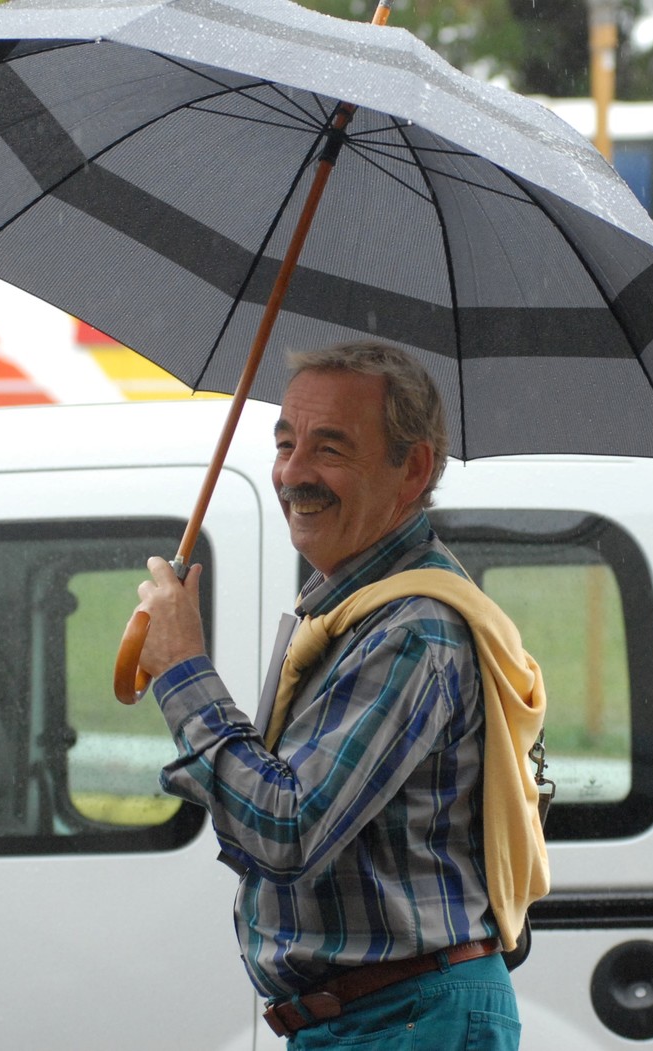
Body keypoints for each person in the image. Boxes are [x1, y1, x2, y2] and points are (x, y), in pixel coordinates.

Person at [135, 340, 548, 1049]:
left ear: (412, 468)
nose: (293, 473)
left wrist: (182, 672)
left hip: (406, 1020)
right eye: (286, 442)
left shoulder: (414, 630)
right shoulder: (341, 610)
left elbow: (285, 827)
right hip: (376, 1018)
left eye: (328, 449)